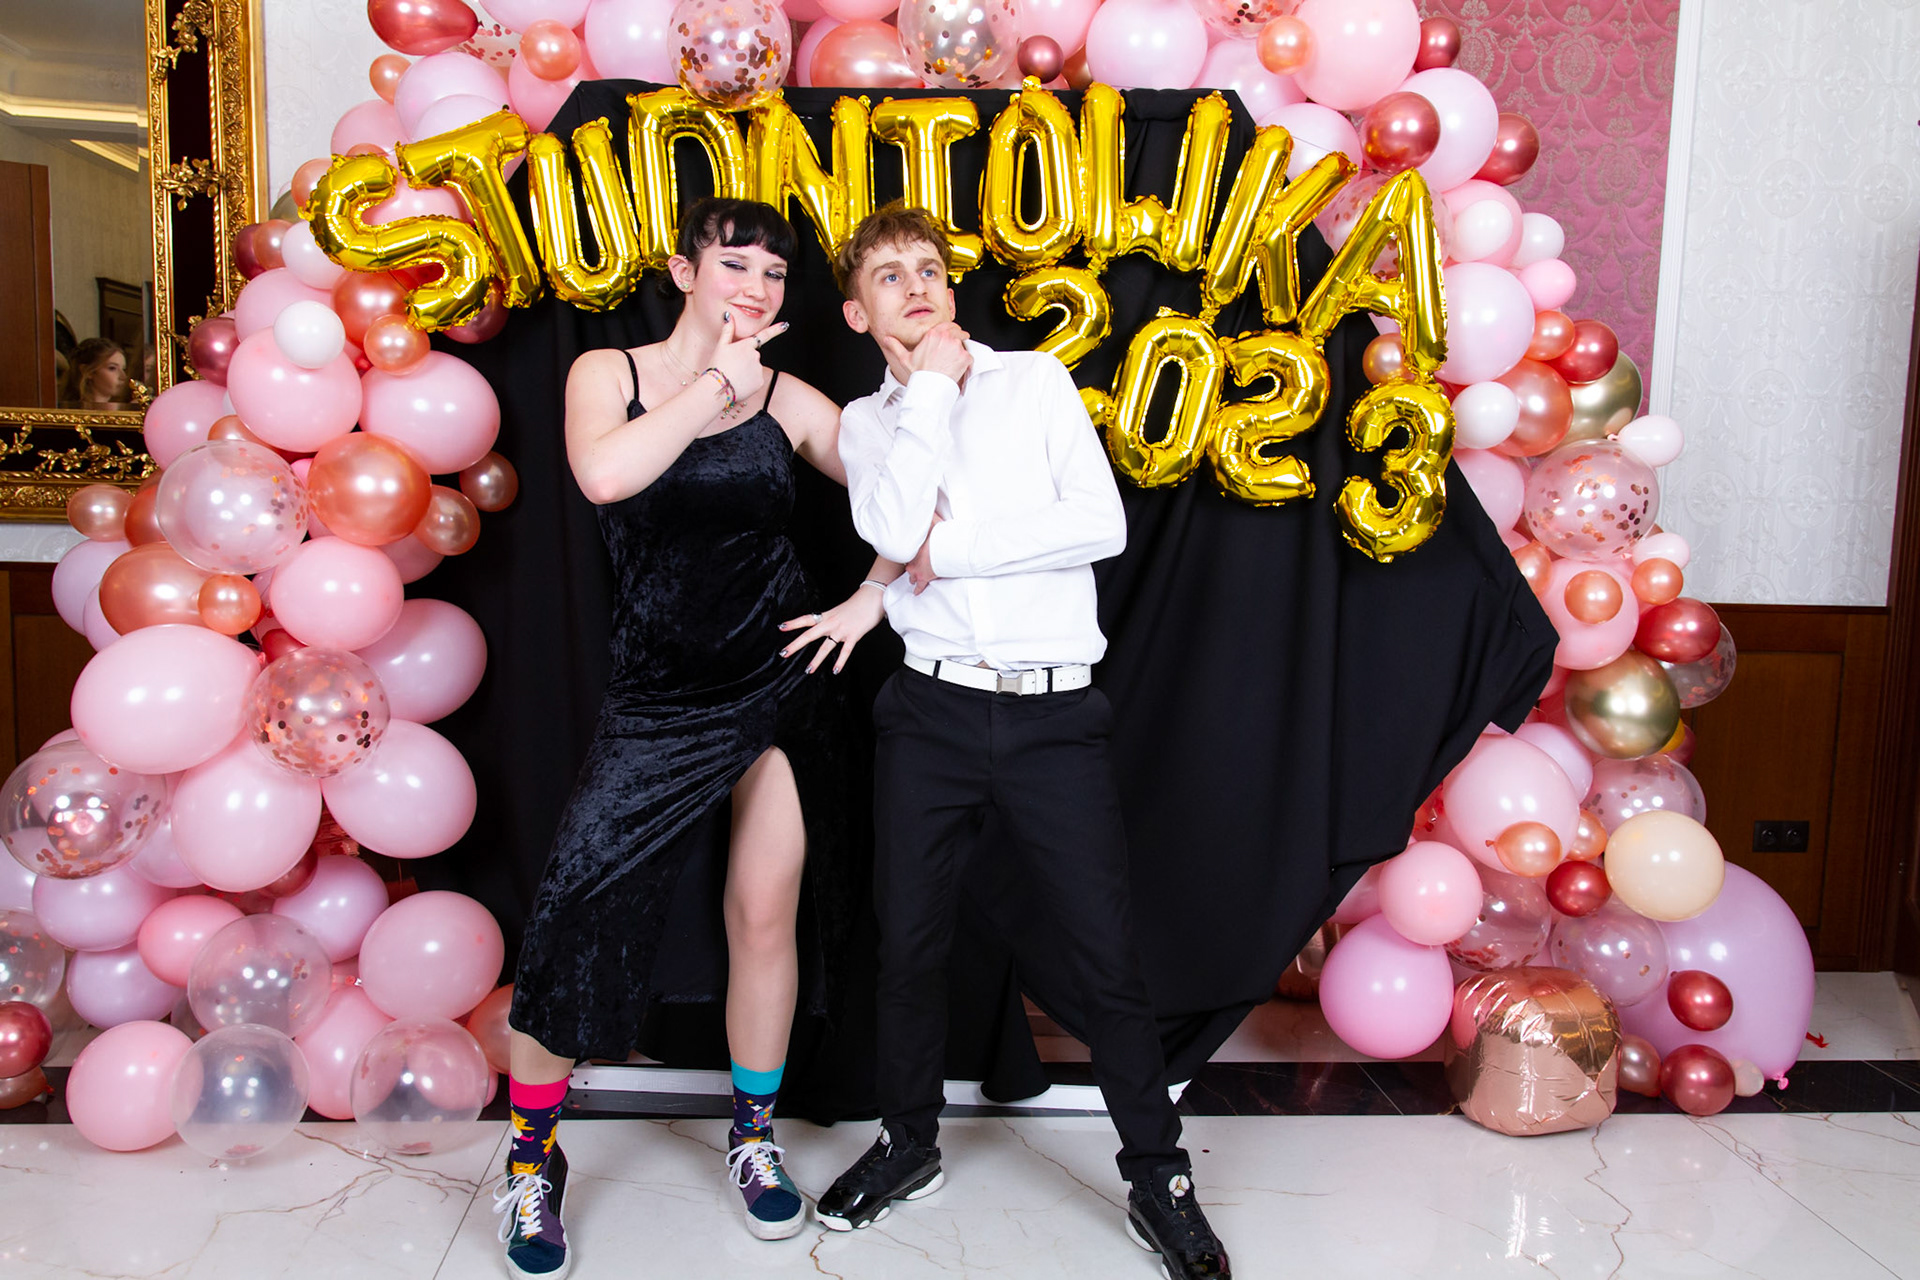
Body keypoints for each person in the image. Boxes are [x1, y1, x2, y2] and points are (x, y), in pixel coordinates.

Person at [817, 201, 1232, 1280]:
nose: (916, 287)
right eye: (889, 276)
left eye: (928, 269)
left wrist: (949, 553)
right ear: (858, 313)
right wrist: (932, 395)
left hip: (1054, 716)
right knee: (909, 944)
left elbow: (1099, 524)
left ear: (950, 289)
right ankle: (909, 1143)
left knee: (1105, 954)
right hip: (931, 712)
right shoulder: (868, 423)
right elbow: (890, 531)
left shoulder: (1036, 381)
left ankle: (1158, 1176)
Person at [493, 197, 897, 1278]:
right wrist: (717, 381)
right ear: (684, 271)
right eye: (735, 265)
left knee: (764, 913)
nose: (756, 289)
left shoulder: (788, 395)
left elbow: (906, 492)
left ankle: (753, 1138)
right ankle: (531, 1159)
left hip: (779, 681)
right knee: (575, 912)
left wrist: (872, 594)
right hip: (660, 696)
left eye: (774, 274)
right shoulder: (610, 374)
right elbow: (606, 475)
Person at [58, 338, 128, 410]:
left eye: (123, 369)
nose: (123, 377)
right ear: (88, 371)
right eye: (112, 368)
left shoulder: (123, 408)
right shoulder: (73, 411)